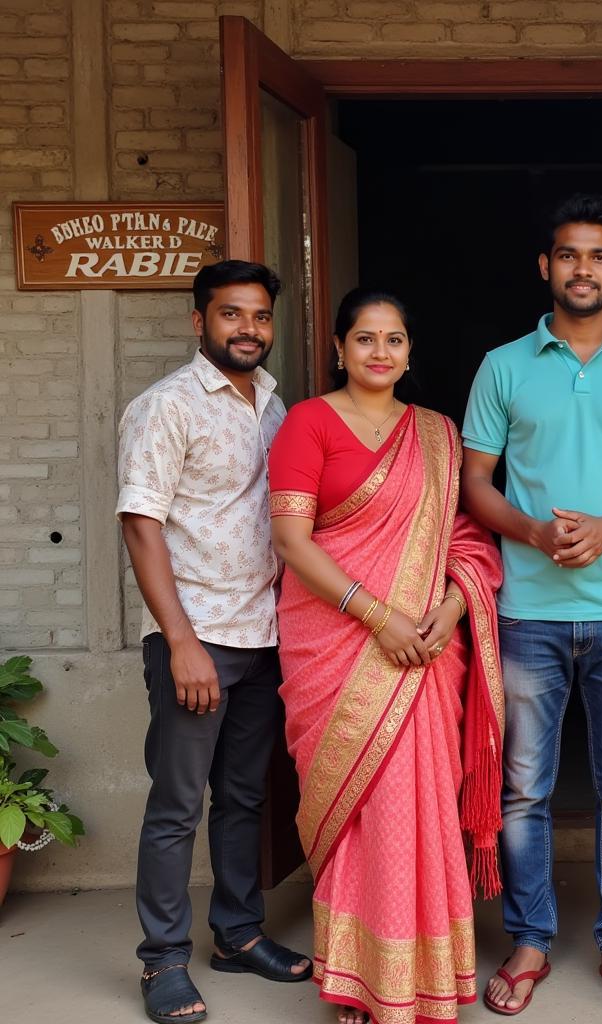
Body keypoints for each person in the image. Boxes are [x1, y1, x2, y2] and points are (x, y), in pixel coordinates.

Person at [461, 194, 602, 1018]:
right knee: (524, 790)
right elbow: (474, 482)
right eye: (567, 255)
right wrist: (530, 528)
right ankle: (529, 939)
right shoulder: (503, 364)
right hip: (526, 611)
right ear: (545, 267)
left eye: (597, 256)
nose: (582, 269)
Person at [267, 288, 505, 1024]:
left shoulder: (437, 433)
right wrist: (379, 618)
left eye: (394, 339)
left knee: (419, 804)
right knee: (360, 806)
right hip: (334, 642)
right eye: (364, 338)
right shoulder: (308, 423)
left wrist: (453, 608)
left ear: (409, 352)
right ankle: (358, 982)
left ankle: (421, 975)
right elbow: (291, 541)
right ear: (338, 348)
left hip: (426, 650)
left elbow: (467, 539)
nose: (379, 351)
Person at [117, 260, 312, 1024]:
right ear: (200, 322)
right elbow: (141, 525)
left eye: (260, 317)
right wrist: (181, 642)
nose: (249, 330)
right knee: (175, 805)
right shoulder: (165, 406)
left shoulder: (272, 403)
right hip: (196, 637)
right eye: (232, 315)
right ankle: (162, 960)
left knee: (243, 797)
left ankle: (236, 934)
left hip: (264, 633)